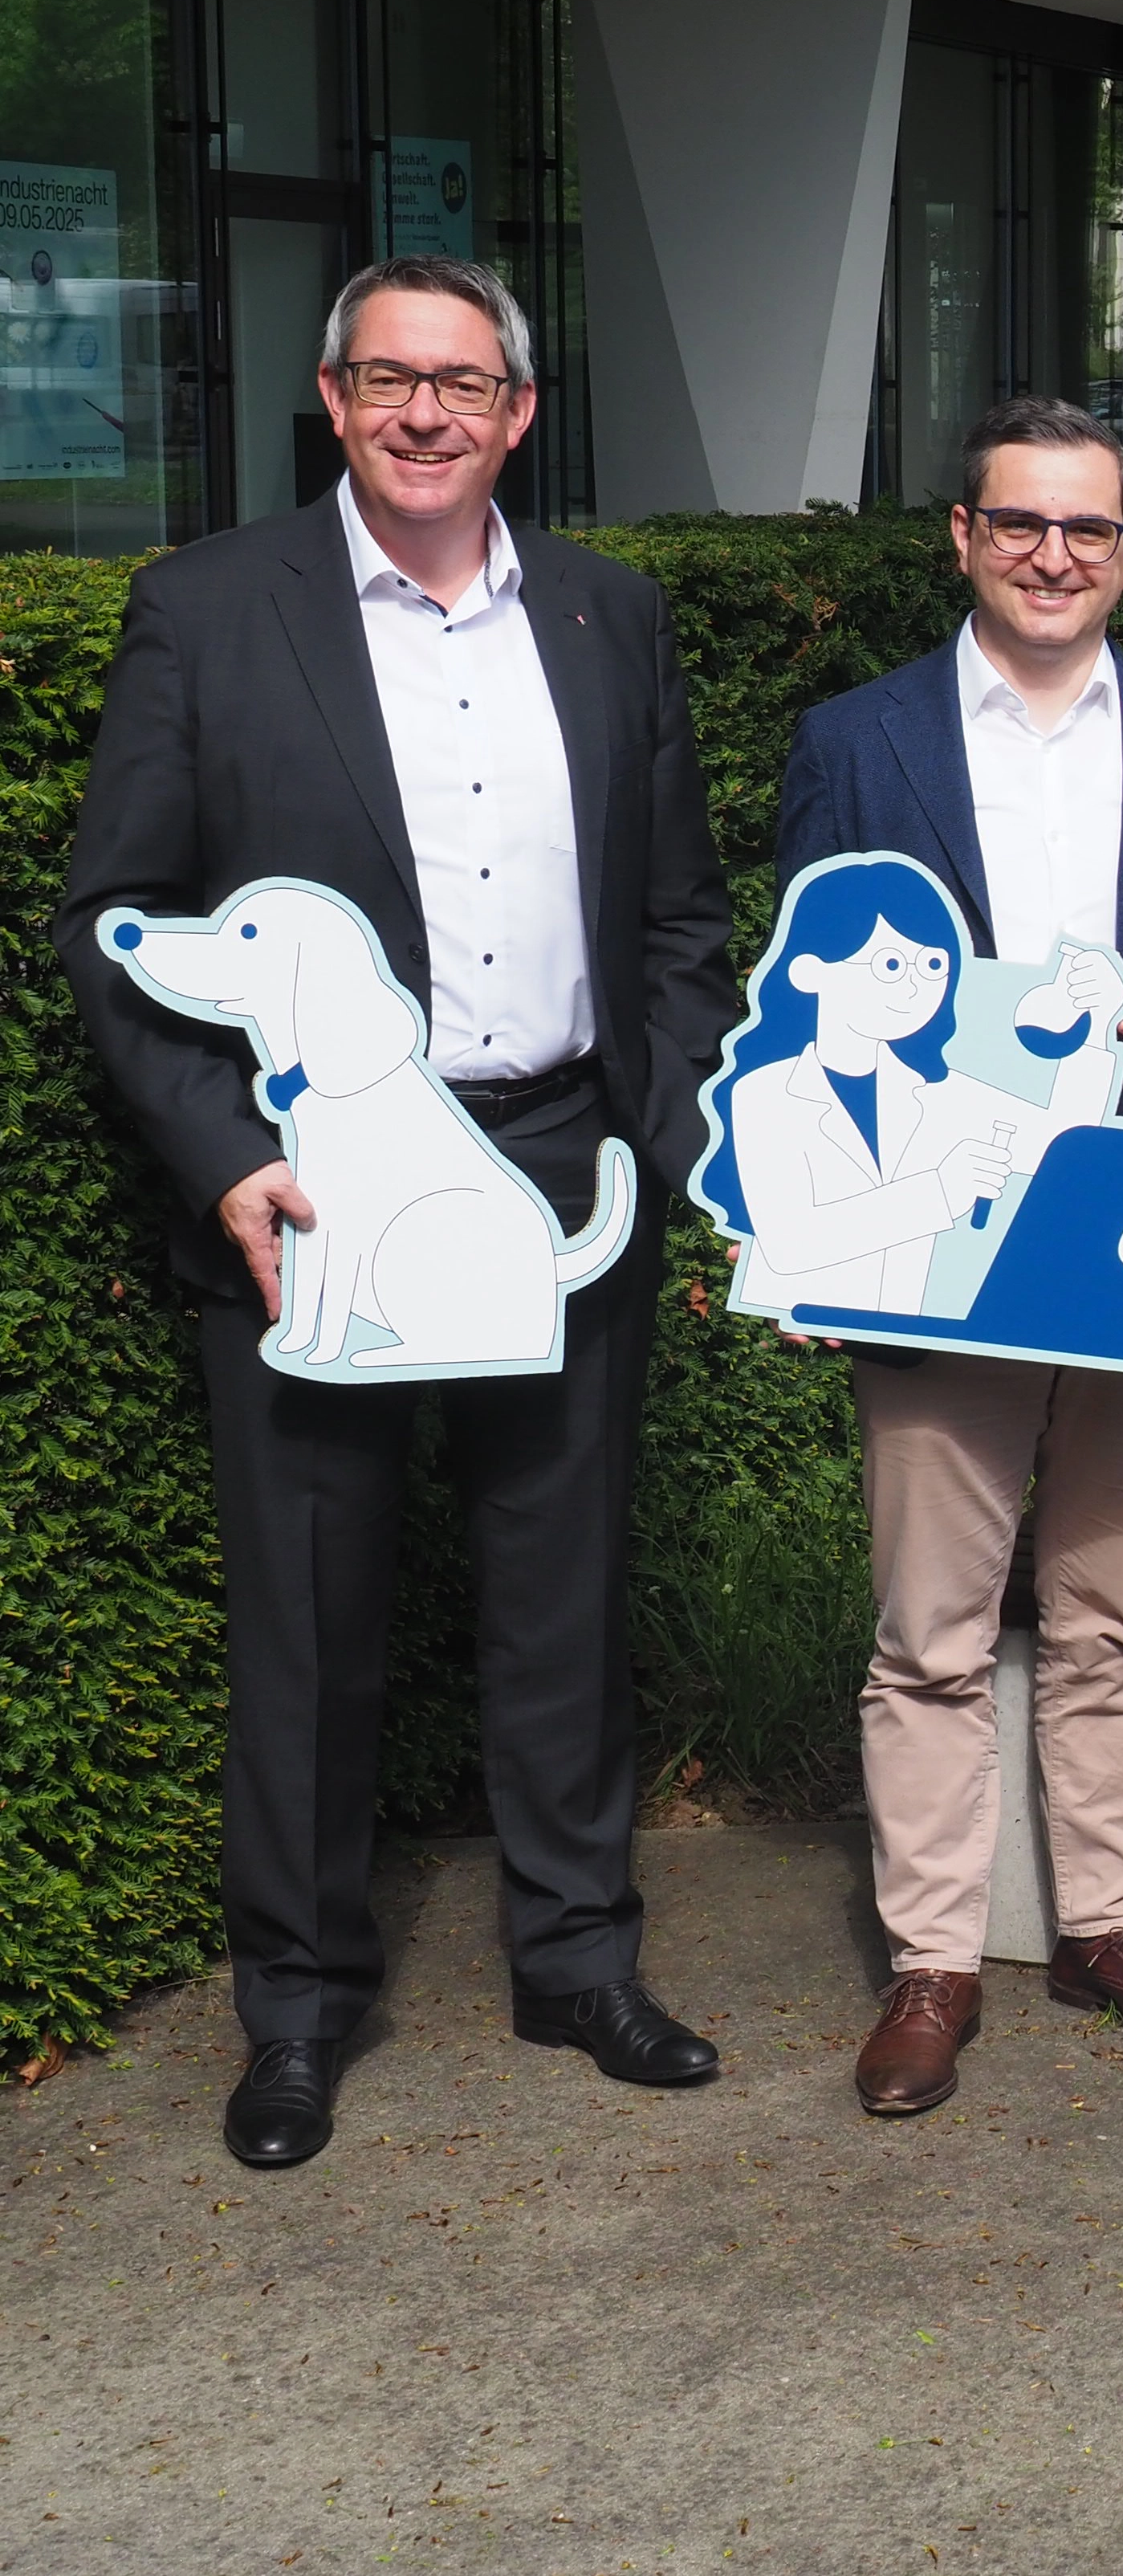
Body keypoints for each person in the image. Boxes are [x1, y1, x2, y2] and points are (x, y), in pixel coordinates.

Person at [59, 255, 742, 2167]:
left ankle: (578, 1958)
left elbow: (680, 919)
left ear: (520, 410)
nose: (426, 410)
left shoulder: (609, 616)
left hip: (546, 1160)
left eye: (465, 381)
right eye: (388, 378)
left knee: (560, 1592)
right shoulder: (207, 609)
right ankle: (294, 2009)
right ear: (333, 398)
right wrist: (223, 1150)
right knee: (307, 1617)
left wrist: (668, 1141)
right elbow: (116, 925)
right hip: (307, 1200)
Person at [777, 393, 1123, 2117]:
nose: (1054, 556)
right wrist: (803, 1242)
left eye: (1088, 530)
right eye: (1022, 524)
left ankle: (1107, 1925)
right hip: (937, 1235)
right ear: (964, 536)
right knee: (930, 1623)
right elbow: (797, 1001)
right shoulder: (861, 741)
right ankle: (934, 1958)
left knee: (1106, 1609)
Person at [697, 854, 1121, 1318]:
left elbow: (1066, 1148)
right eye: (892, 964)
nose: (918, 986)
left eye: (934, 965)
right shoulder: (765, 1093)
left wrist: (1097, 1026)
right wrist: (940, 1191)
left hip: (905, 1331)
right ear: (810, 972)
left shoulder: (938, 1090)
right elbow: (791, 1244)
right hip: (801, 1327)